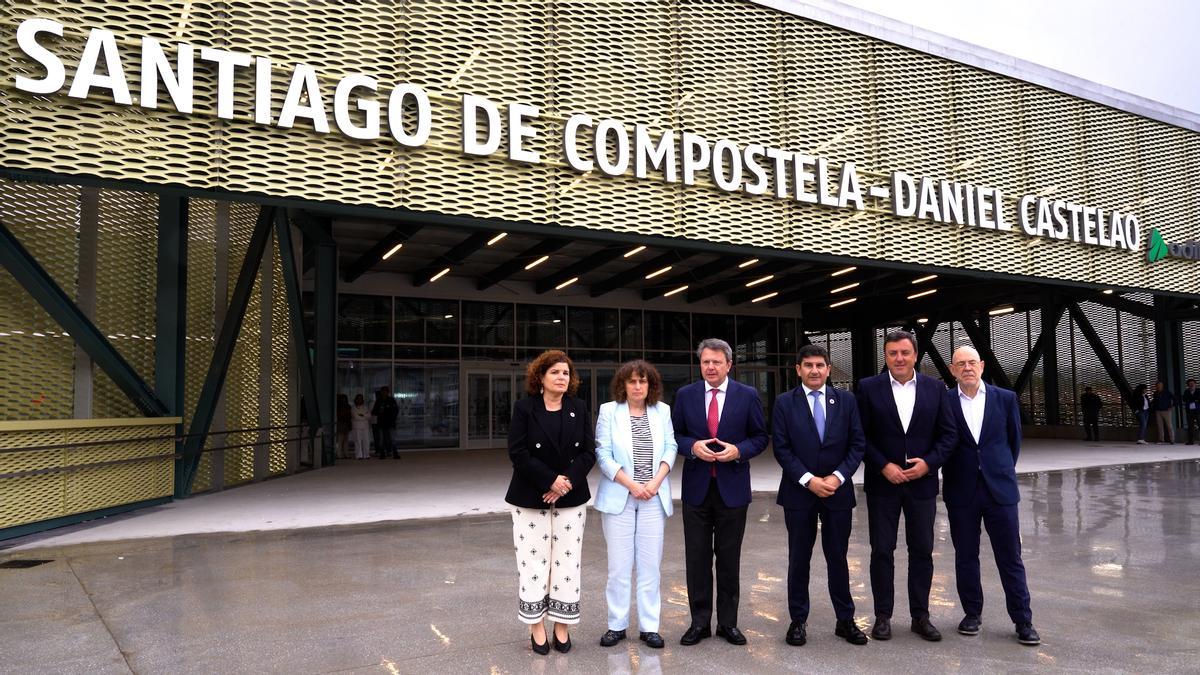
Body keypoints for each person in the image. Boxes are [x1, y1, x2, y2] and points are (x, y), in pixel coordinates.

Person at [857, 330, 957, 642]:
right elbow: (860, 436)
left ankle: (920, 616)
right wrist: (883, 465)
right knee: (882, 551)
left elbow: (948, 434)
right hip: (882, 484)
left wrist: (929, 463)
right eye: (892, 353)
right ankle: (883, 616)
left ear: (915, 356)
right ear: (885, 356)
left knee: (922, 551)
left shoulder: (935, 388)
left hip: (921, 485)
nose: (898, 358)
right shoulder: (868, 388)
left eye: (904, 353)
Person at [671, 338, 769, 647]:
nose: (710, 367)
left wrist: (738, 450)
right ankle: (699, 623)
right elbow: (674, 435)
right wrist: (692, 447)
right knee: (697, 559)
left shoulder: (748, 395)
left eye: (716, 362)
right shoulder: (685, 395)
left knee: (729, 560)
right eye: (705, 362)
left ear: (729, 365)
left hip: (732, 490)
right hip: (697, 489)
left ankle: (728, 623)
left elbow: (760, 436)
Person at [943, 345, 1040, 646]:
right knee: (966, 556)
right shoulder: (944, 402)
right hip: (962, 491)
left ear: (982, 366)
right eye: (961, 364)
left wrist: (997, 470)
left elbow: (1013, 442)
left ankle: (1023, 619)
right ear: (952, 369)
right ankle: (972, 613)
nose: (967, 368)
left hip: (1000, 490)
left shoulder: (1005, 399)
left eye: (972, 362)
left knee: (1010, 557)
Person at [773, 343, 868, 647]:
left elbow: (857, 444)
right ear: (798, 369)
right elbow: (782, 448)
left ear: (828, 369)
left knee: (838, 557)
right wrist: (808, 480)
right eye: (808, 365)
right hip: (799, 494)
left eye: (820, 365)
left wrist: (838, 477)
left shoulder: (846, 401)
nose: (814, 370)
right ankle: (798, 621)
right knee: (799, 559)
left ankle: (845, 619)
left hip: (837, 493)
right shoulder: (784, 403)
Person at [504, 350, 596, 655]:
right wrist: (549, 480)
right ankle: (536, 626)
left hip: (571, 497)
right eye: (555, 372)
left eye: (566, 373)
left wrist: (564, 482)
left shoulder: (579, 407)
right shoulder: (524, 408)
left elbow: (588, 453)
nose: (561, 377)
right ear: (540, 377)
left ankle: (562, 625)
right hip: (531, 497)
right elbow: (518, 452)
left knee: (567, 562)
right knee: (533, 562)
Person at [594, 360, 678, 650]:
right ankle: (616, 626)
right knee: (618, 567)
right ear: (623, 385)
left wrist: (655, 483)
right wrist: (631, 485)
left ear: (650, 385)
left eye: (643, 381)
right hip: (621, 497)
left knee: (649, 567)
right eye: (632, 381)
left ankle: (649, 626)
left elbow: (671, 446)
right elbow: (602, 454)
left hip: (654, 497)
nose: (638, 386)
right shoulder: (609, 411)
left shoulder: (662, 411)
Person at [373, 386, 400, 458]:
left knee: (392, 438)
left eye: (385, 391)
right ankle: (382, 453)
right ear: (381, 392)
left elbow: (396, 410)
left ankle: (395, 453)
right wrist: (379, 411)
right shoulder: (378, 401)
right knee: (381, 439)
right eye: (383, 391)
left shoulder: (391, 400)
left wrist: (392, 418)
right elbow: (374, 411)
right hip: (381, 423)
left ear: (388, 392)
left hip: (390, 422)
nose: (384, 393)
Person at [350, 394, 371, 459]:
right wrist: (364, 416)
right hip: (357, 427)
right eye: (358, 398)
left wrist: (362, 415)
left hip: (365, 427)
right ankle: (359, 455)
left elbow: (369, 416)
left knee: (366, 441)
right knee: (358, 441)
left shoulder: (365, 407)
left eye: (361, 399)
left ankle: (366, 455)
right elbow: (356, 417)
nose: (359, 400)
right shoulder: (353, 408)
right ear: (356, 400)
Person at [1182, 379, 1199, 444]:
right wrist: (1195, 400)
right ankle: (1190, 441)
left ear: (1195, 384)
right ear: (1188, 385)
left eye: (1193, 383)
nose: (1191, 385)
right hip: (1189, 411)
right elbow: (1184, 399)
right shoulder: (1186, 391)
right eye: (1190, 384)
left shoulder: (1198, 390)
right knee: (1190, 426)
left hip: (1198, 411)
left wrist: (1192, 400)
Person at [336, 393, 352, 458]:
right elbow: (339, 415)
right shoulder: (338, 407)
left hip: (346, 424)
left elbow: (349, 416)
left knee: (345, 440)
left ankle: (345, 454)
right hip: (341, 423)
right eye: (342, 399)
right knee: (340, 440)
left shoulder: (348, 406)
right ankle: (339, 454)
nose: (344, 400)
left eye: (345, 399)